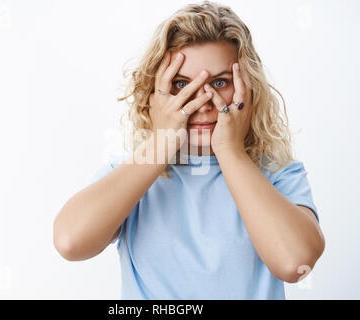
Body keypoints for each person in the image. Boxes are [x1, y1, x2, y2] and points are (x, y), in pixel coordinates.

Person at [53, 0, 325, 299]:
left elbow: (295, 262)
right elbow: (69, 242)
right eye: (182, 84)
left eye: (220, 82)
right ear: (154, 94)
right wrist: (161, 143)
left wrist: (230, 151)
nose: (203, 102)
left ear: (249, 87)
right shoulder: (133, 174)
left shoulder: (278, 173)